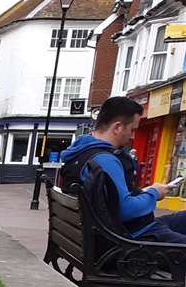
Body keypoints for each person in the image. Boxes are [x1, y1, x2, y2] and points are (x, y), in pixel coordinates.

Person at [59, 95, 186, 241]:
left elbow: (109, 200)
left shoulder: (81, 152)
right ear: (117, 127)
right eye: (132, 130)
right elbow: (125, 210)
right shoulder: (105, 161)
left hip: (108, 232)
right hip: (130, 238)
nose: (133, 136)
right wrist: (154, 193)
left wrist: (143, 192)